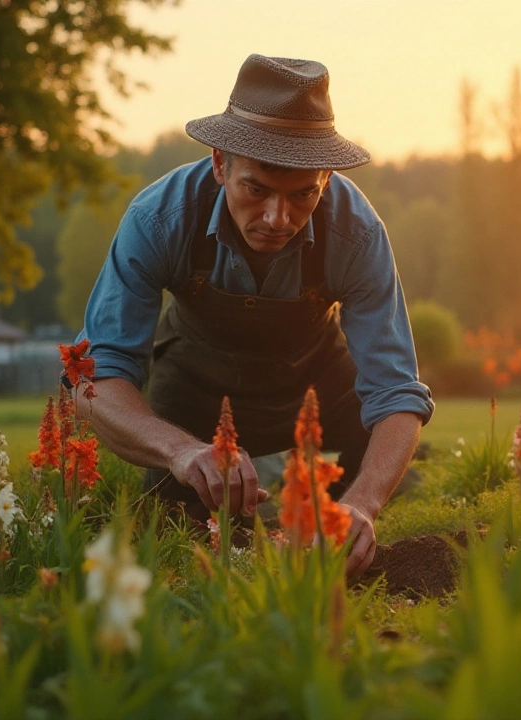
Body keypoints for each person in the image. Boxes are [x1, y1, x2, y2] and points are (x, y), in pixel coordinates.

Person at [73, 54, 433, 577]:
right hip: (194, 386)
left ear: (326, 179)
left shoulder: (358, 234)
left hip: (315, 380)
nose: (276, 219)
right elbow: (92, 374)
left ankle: (351, 505)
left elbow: (397, 390)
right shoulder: (158, 219)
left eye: (302, 195)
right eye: (256, 189)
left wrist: (364, 503)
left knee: (369, 485)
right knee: (175, 525)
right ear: (220, 163)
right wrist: (178, 451)